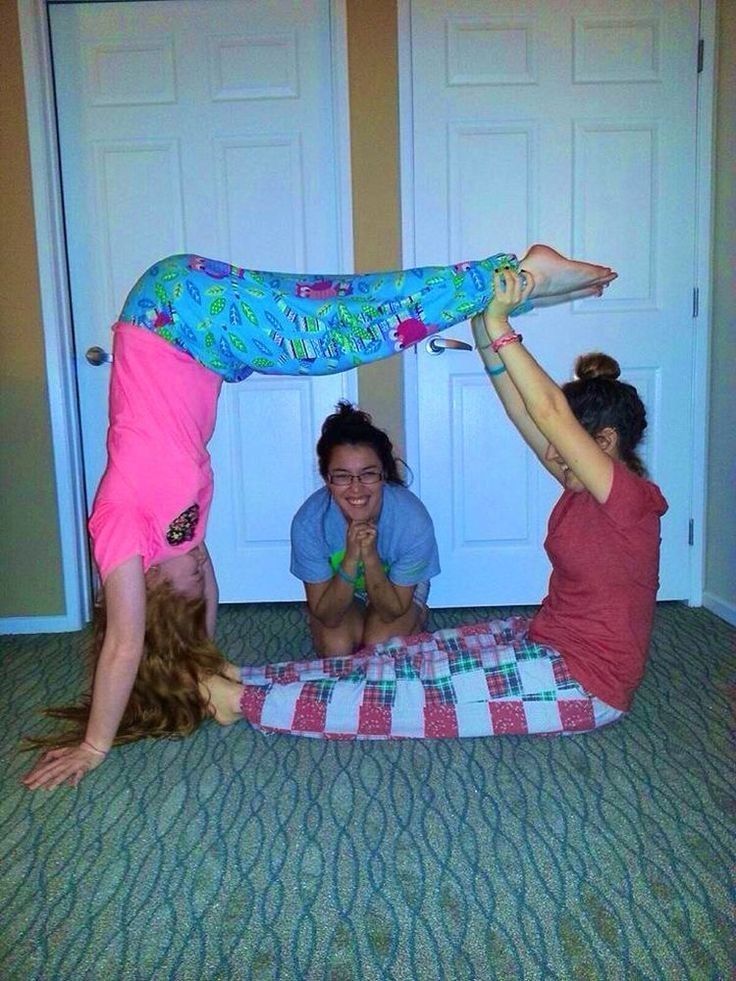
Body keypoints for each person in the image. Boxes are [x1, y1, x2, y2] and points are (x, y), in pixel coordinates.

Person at [22, 245, 616, 789]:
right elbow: (200, 586)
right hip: (195, 335)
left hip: (174, 315)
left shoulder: (120, 523)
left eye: (185, 588)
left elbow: (125, 643)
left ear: (147, 583)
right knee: (338, 317)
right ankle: (513, 287)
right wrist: (207, 656)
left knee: (336, 333)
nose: (200, 576)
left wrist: (95, 745)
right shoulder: (181, 537)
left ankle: (521, 273)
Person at [193, 268, 668, 740]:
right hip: (548, 638)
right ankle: (256, 679)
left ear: (604, 443)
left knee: (417, 697)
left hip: (585, 683)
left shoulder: (627, 499)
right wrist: (483, 323)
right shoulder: (583, 487)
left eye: (561, 445)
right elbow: (525, 412)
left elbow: (548, 410)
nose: (549, 452)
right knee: (407, 658)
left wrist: (504, 326)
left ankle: (243, 702)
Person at [291, 402, 439, 655]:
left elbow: (392, 609)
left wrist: (369, 556)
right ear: (327, 478)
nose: (356, 488)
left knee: (380, 648)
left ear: (384, 474)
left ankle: (417, 616)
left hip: (396, 594)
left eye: (368, 474)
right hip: (338, 591)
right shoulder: (309, 523)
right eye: (342, 476)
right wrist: (351, 556)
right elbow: (327, 614)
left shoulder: (413, 521)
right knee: (337, 648)